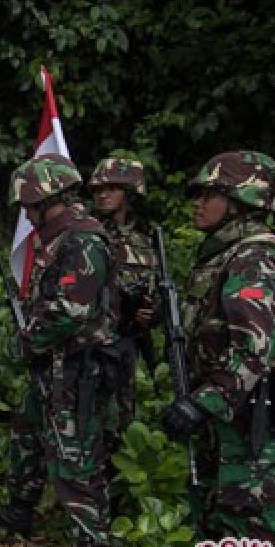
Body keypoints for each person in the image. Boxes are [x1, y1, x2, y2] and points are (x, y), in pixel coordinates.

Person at [0, 153, 121, 547]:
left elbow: (70, 310)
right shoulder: (61, 239)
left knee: (76, 460)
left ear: (45, 199)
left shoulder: (83, 242)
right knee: (28, 435)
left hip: (77, 369)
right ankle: (20, 509)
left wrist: (26, 340)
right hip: (54, 366)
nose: (25, 213)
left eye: (28, 205)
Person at [160, 151, 275, 543]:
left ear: (242, 202)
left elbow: (254, 347)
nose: (198, 203)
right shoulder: (226, 253)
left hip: (246, 410)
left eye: (211, 195)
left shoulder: (255, 256)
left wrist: (200, 403)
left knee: (246, 516)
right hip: (225, 407)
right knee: (214, 510)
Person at [90, 156, 159, 445]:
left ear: (129, 194)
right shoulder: (86, 234)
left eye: (112, 188)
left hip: (129, 344)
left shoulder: (147, 243)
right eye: (98, 189)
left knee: (126, 423)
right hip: (90, 343)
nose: (102, 194)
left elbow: (157, 293)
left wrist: (153, 313)